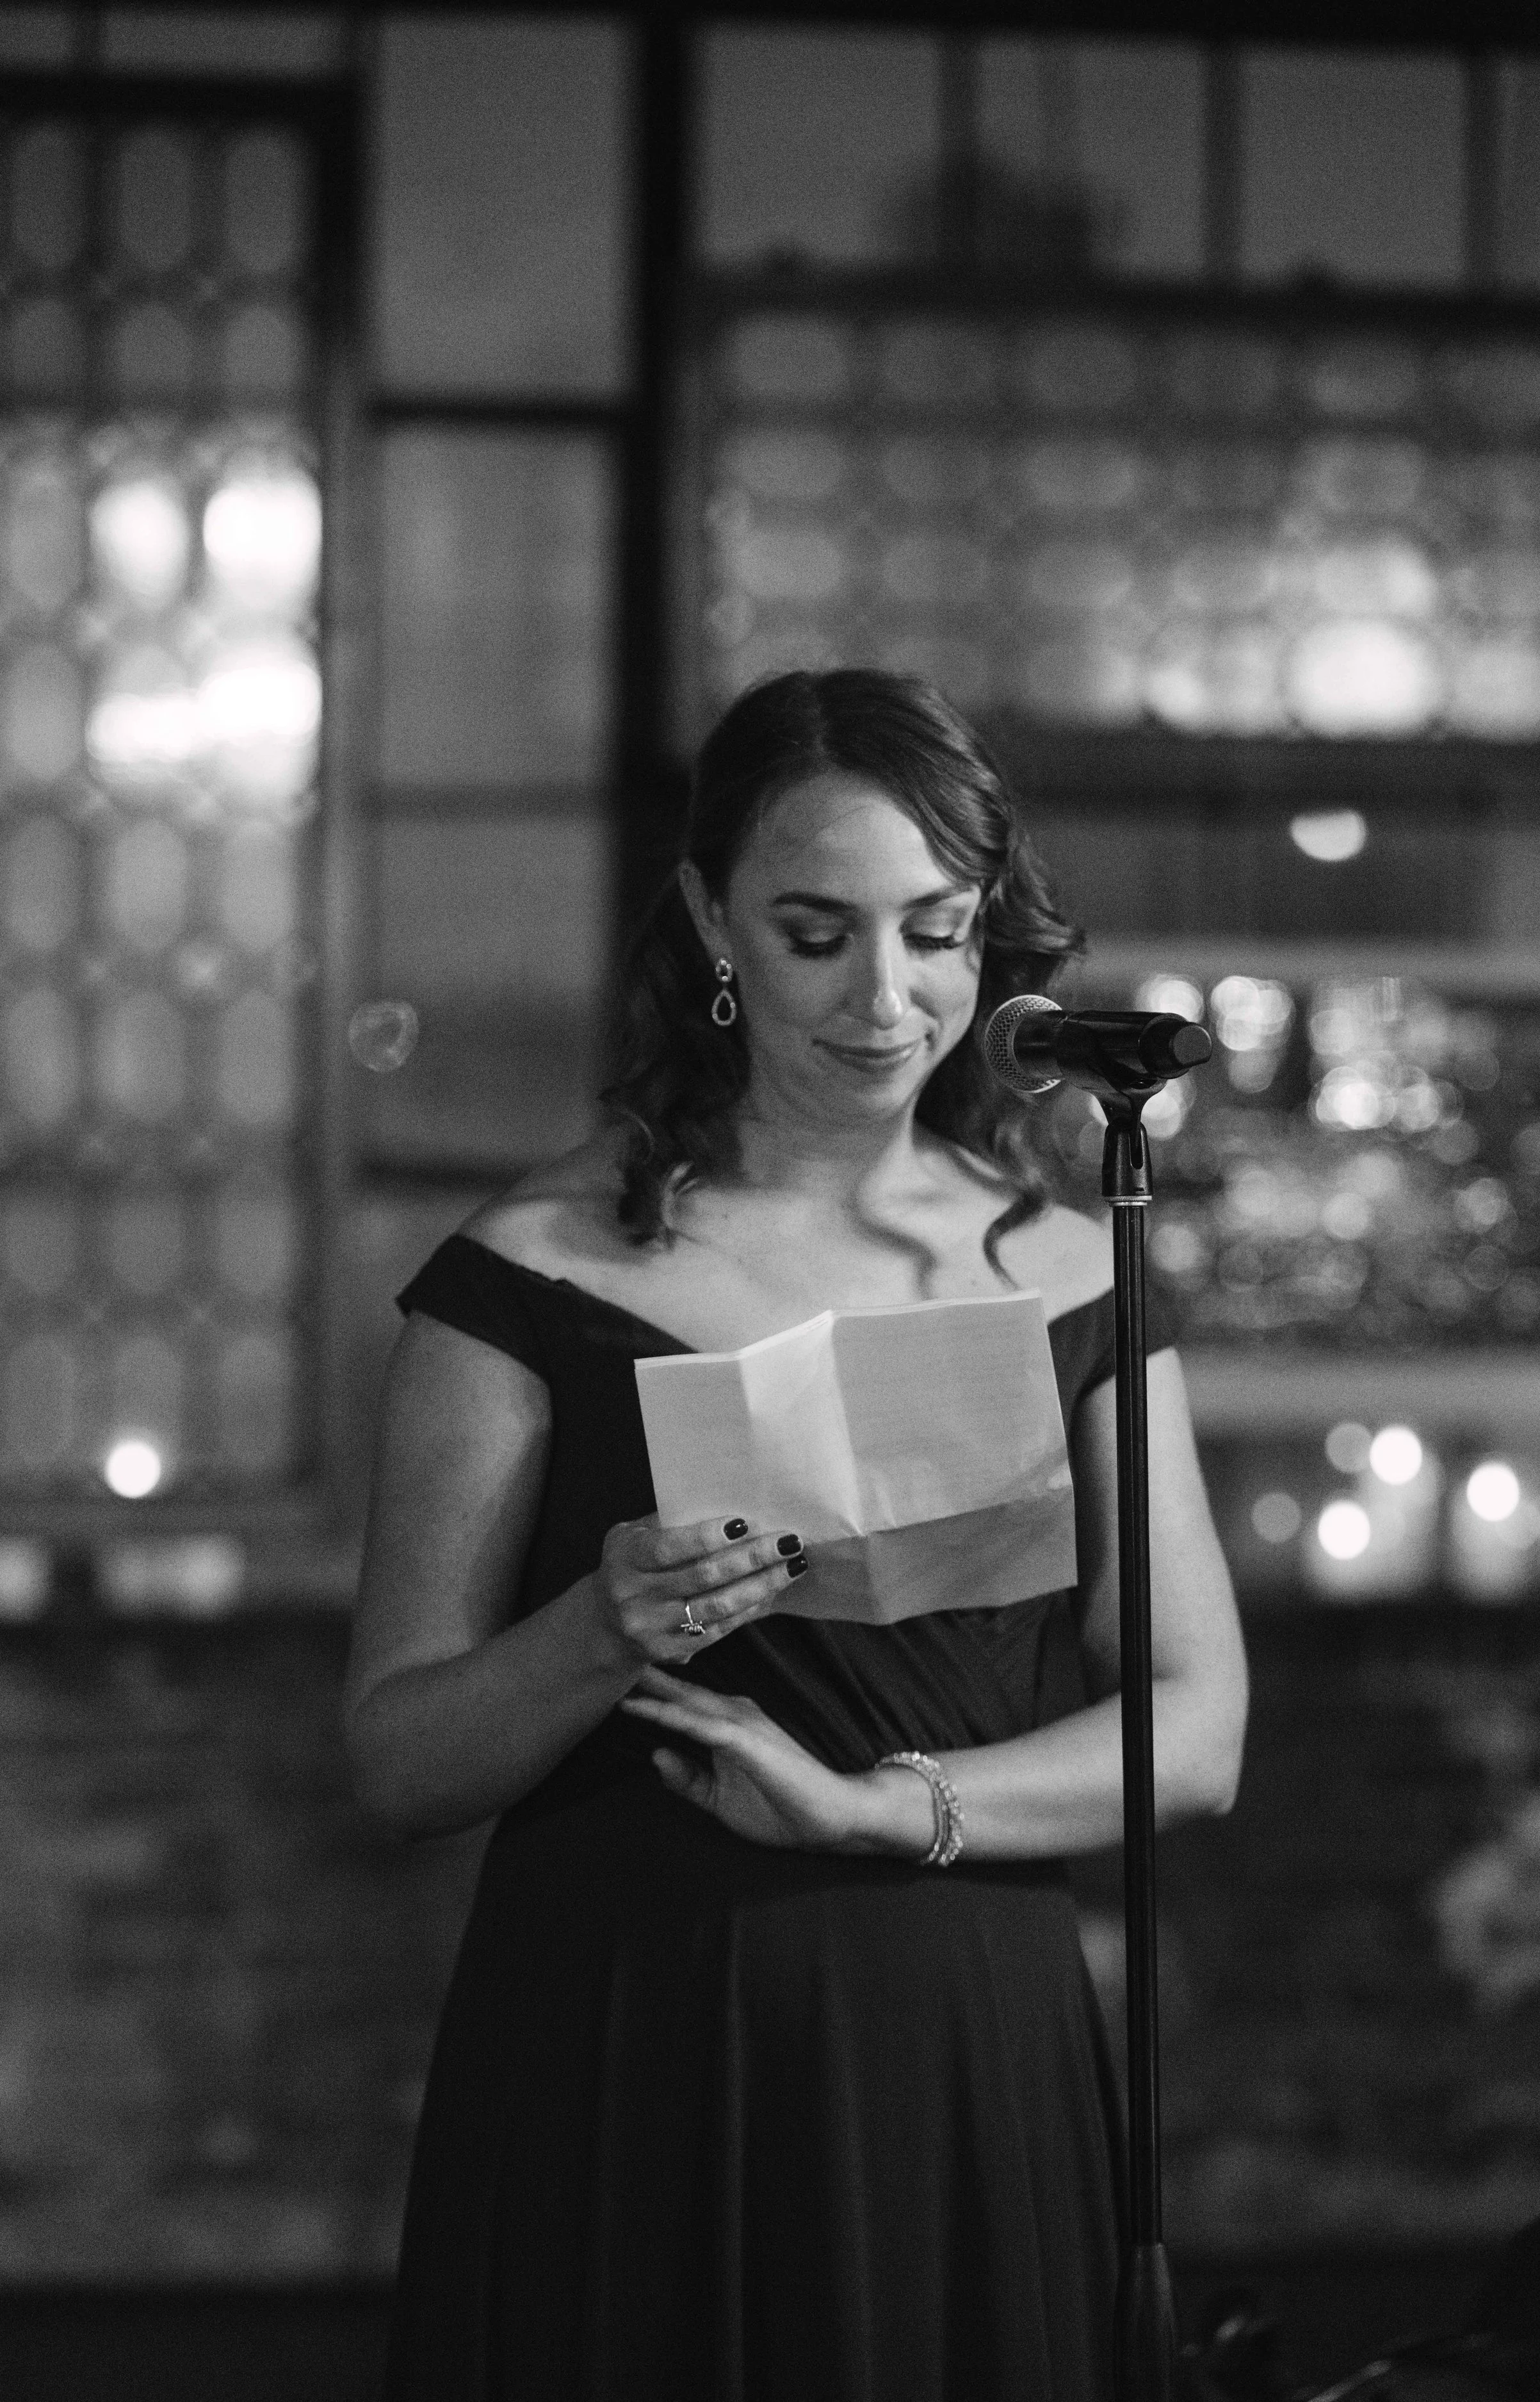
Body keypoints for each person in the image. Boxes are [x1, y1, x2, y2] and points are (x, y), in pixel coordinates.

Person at [348, 669, 1248, 2401]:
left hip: (965, 2036)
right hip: (627, 2037)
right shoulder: (535, 1271)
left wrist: (878, 1807)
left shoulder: (1067, 1260)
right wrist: (593, 1631)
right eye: (817, 930)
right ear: (710, 922)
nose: (888, 994)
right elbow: (391, 1758)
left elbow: (1196, 1725)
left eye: (938, 930)